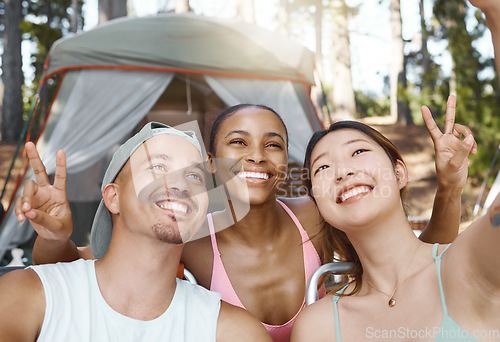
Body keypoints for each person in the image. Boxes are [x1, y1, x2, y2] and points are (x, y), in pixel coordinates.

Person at [19, 102, 474, 342]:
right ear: (212, 162)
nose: (257, 154)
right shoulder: (193, 231)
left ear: (285, 161)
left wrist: (449, 188)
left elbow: (418, 265)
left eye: (273, 144)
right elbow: (89, 268)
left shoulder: (317, 215)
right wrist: (55, 234)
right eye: (239, 142)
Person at [1, 122, 271, 341]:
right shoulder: (26, 297)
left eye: (194, 177)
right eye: (157, 167)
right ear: (113, 198)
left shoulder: (233, 332)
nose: (179, 184)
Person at [291, 99, 500, 341]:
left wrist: (450, 186)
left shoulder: (467, 263)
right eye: (323, 167)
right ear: (317, 204)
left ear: (399, 173)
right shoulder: (318, 326)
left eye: (358, 152)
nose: (343, 172)